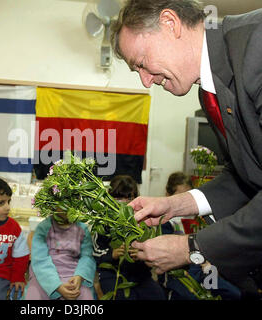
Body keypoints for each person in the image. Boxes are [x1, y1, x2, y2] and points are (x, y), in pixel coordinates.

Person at [112, 0, 262, 298]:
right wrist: (176, 205)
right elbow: (248, 172)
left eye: (141, 63)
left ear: (170, 23)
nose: (145, 81)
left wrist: (191, 247)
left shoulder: (256, 44)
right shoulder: (209, 92)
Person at [160, 172, 241, 300]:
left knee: (232, 293)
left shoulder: (200, 218)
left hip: (205, 268)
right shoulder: (166, 223)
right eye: (178, 196)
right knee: (191, 296)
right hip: (180, 273)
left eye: (187, 196)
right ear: (169, 195)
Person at [93, 175, 166, 300]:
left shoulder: (142, 222)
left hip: (140, 275)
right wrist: (113, 254)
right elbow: (96, 254)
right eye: (118, 197)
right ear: (109, 198)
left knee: (158, 294)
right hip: (112, 274)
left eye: (129, 197)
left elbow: (153, 253)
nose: (124, 202)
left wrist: (142, 253)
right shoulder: (103, 223)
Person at [23, 209, 96, 300]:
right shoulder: (43, 228)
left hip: (74, 275)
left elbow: (87, 256)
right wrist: (56, 286)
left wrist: (80, 276)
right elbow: (40, 260)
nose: (66, 207)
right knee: (34, 294)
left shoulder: (82, 228)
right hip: (44, 277)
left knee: (86, 295)